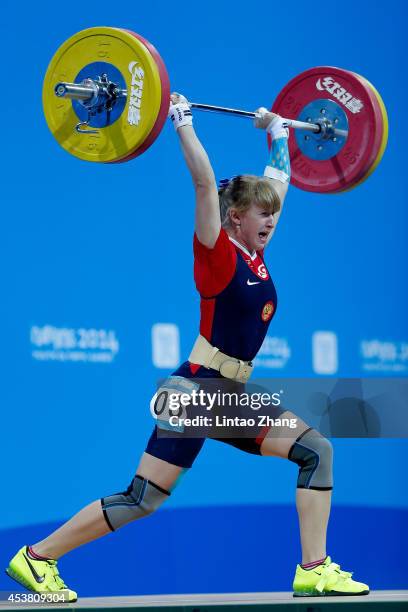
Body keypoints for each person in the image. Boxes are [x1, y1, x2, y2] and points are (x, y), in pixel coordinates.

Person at [6, 94, 369, 601]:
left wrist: (279, 132)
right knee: (142, 498)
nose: (271, 221)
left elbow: (280, 181)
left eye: (272, 214)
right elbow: (203, 183)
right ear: (235, 217)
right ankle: (38, 557)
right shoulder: (216, 255)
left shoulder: (257, 257)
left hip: (225, 393)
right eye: (261, 214)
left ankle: (314, 569)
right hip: (199, 390)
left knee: (313, 452)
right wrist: (183, 122)